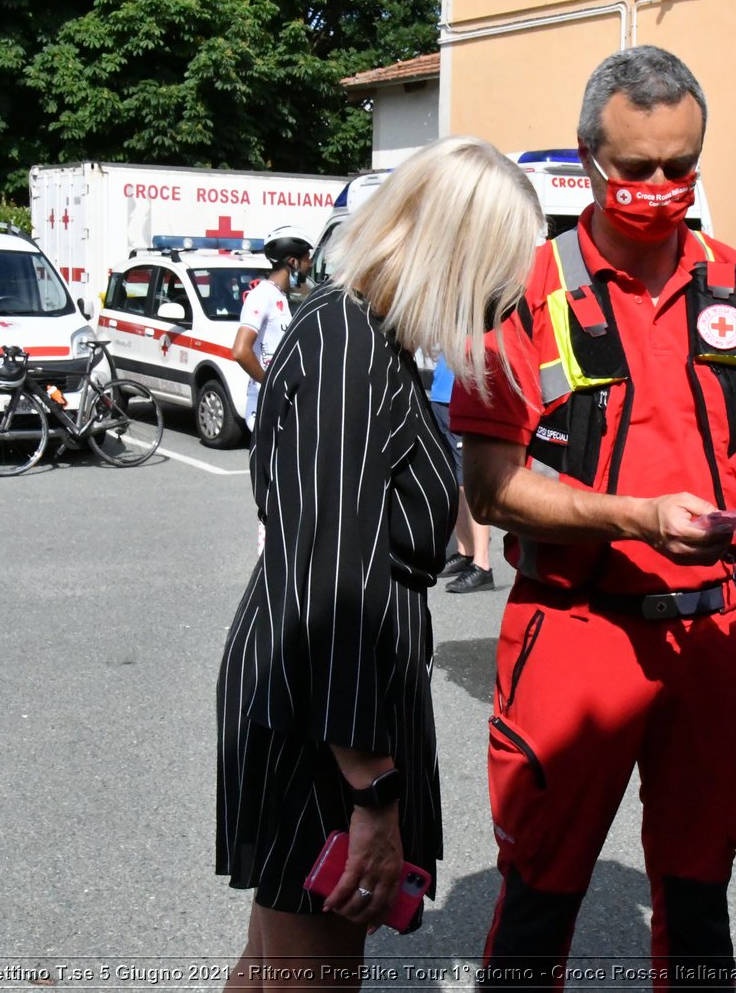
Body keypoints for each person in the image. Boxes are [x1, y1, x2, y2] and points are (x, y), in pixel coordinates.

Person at [448, 46, 736, 989]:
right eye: (638, 169)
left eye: (681, 167)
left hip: (719, 630)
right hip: (578, 632)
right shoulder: (523, 294)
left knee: (701, 894)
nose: (662, 188)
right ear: (590, 158)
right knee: (541, 891)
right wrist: (634, 518)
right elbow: (492, 483)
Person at [216, 136, 542, 992]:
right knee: (310, 975)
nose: (508, 295)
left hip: (329, 706)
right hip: (323, 716)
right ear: (456, 251)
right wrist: (370, 790)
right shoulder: (346, 346)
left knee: (272, 963)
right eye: (501, 269)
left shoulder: (369, 341)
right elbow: (331, 586)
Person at [428, 354, 497, 593]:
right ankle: (465, 551)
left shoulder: (472, 316)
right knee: (452, 477)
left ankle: (482, 564)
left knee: (468, 478)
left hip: (464, 393)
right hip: (442, 394)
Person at [233, 226, 311, 431]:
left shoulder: (281, 297)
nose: (310, 265)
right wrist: (270, 384)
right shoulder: (262, 296)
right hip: (266, 402)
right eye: (307, 259)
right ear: (293, 262)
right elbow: (241, 351)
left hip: (285, 401)